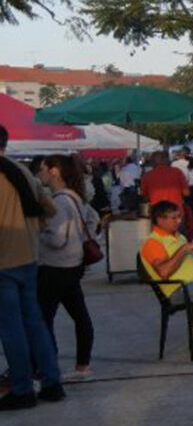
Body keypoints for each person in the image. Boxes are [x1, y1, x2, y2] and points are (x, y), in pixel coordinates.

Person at [0, 125, 64, 410]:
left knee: (10, 326)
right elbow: (49, 208)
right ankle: (52, 382)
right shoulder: (21, 170)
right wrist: (32, 229)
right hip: (29, 257)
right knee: (34, 322)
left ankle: (22, 388)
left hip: (3, 261)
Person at [37, 155, 98, 382]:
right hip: (74, 263)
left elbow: (57, 238)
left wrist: (40, 231)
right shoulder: (76, 197)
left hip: (55, 265)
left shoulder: (60, 201)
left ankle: (46, 367)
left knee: (43, 319)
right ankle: (83, 366)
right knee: (80, 315)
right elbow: (93, 220)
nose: (40, 173)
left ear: (54, 172)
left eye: (43, 168)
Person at [140, 200, 193, 302]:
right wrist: (183, 249)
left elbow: (186, 266)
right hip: (178, 290)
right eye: (174, 218)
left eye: (179, 217)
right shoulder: (153, 242)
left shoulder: (180, 237)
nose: (179, 221)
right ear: (160, 220)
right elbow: (164, 272)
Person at [141, 151, 190, 233]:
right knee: (179, 241)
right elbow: (186, 193)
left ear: (152, 162)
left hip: (159, 215)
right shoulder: (177, 172)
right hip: (176, 213)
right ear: (166, 160)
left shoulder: (147, 176)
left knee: (160, 240)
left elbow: (144, 197)